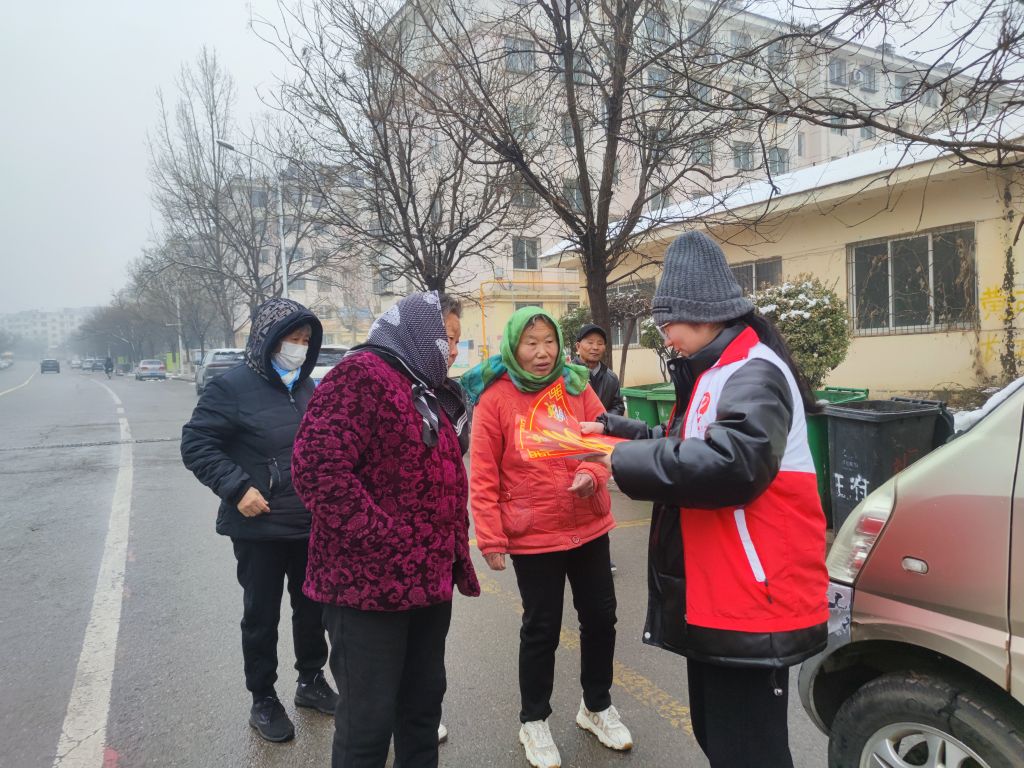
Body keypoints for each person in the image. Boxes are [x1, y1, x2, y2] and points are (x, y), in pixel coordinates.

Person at [581, 232, 829, 768]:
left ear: (699, 312)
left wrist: (619, 461)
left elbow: (732, 463)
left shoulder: (753, 370)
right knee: (719, 738)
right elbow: (685, 443)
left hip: (753, 596)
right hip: (721, 593)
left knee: (748, 752)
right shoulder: (717, 370)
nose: (666, 337)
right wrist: (615, 432)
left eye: (667, 322)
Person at [292, 291, 479, 768]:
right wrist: (386, 542)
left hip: (426, 584)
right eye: (446, 337)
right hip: (367, 591)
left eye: (457, 341)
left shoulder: (425, 390)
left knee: (421, 711)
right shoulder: (361, 376)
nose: (451, 350)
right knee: (368, 725)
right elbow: (318, 469)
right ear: (416, 332)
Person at [462, 306, 633, 768]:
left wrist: (591, 474)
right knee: (541, 628)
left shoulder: (575, 386)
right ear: (513, 347)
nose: (542, 353)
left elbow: (604, 440)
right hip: (533, 533)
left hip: (588, 524)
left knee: (601, 618)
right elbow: (483, 474)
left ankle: (596, 706)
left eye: (549, 342)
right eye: (531, 343)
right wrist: (491, 537)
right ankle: (533, 720)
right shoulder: (495, 398)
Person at [180, 298, 338, 744]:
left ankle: (311, 680)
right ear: (267, 339)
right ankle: (263, 698)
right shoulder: (230, 387)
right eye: (292, 339)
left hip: (308, 523)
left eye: (305, 340)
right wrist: (237, 488)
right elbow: (196, 444)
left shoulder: (306, 387)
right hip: (259, 525)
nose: (299, 348)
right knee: (261, 616)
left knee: (313, 609)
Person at [572, 324, 624, 416]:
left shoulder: (611, 378)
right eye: (590, 342)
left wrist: (602, 421)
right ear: (578, 346)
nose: (595, 347)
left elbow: (617, 406)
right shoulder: (566, 374)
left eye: (600, 343)